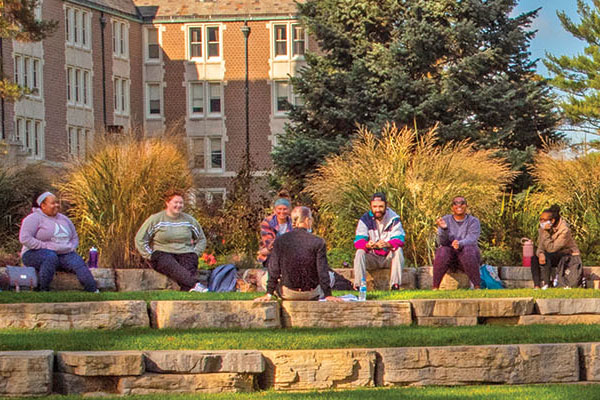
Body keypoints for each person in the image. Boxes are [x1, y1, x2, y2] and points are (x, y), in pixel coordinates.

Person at [255, 206, 343, 302]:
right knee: (331, 276)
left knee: (264, 278)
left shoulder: (280, 240)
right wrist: (328, 295)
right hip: (311, 293)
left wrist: (269, 293)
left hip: (288, 293)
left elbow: (274, 269)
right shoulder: (318, 241)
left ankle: (275, 295)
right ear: (307, 220)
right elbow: (322, 271)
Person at [19, 191, 98, 292]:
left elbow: (74, 237)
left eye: (57, 202)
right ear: (43, 205)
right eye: (53, 203)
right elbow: (25, 238)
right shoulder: (33, 219)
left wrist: (70, 247)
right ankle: (43, 289)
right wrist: (45, 246)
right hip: (33, 253)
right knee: (50, 257)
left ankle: (93, 290)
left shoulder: (64, 219)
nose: (57, 205)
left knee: (77, 261)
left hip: (62, 253)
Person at [135, 189, 208, 292]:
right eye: (176, 202)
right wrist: (150, 255)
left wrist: (196, 253)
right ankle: (195, 285)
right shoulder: (156, 219)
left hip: (185, 252)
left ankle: (189, 289)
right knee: (169, 263)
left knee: (189, 264)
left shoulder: (189, 221)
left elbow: (201, 239)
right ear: (167, 203)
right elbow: (140, 239)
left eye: (181, 203)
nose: (179, 205)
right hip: (163, 254)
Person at [353, 192, 405, 290]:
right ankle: (359, 285)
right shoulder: (365, 219)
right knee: (359, 252)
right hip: (372, 256)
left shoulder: (394, 219)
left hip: (388, 257)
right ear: (371, 206)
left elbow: (400, 239)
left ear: (386, 205)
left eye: (381, 206)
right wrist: (368, 245)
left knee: (398, 251)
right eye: (375, 206)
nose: (377, 210)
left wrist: (388, 244)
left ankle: (395, 285)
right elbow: (358, 241)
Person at [433, 196, 481, 290]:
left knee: (468, 249)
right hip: (450, 256)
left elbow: (472, 238)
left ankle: (477, 286)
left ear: (466, 206)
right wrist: (444, 229)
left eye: (462, 203)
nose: (459, 205)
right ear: (452, 207)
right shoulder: (445, 220)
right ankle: (435, 287)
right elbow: (443, 242)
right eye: (456, 203)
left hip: (467, 255)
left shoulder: (473, 221)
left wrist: (460, 243)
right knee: (442, 251)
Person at [532, 205, 580, 289]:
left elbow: (552, 248)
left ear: (552, 221)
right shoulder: (543, 229)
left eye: (544, 220)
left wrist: (545, 232)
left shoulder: (564, 230)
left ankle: (546, 284)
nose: (541, 222)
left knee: (547, 256)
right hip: (552, 254)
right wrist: (540, 253)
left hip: (566, 256)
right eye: (541, 219)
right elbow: (540, 246)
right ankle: (537, 285)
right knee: (534, 258)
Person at [257, 190, 292, 268]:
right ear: (275, 210)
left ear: (289, 210)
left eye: (285, 209)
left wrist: (267, 250)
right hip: (271, 257)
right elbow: (269, 244)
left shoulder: (293, 222)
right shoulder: (267, 222)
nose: (282, 212)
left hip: (289, 255)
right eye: (279, 209)